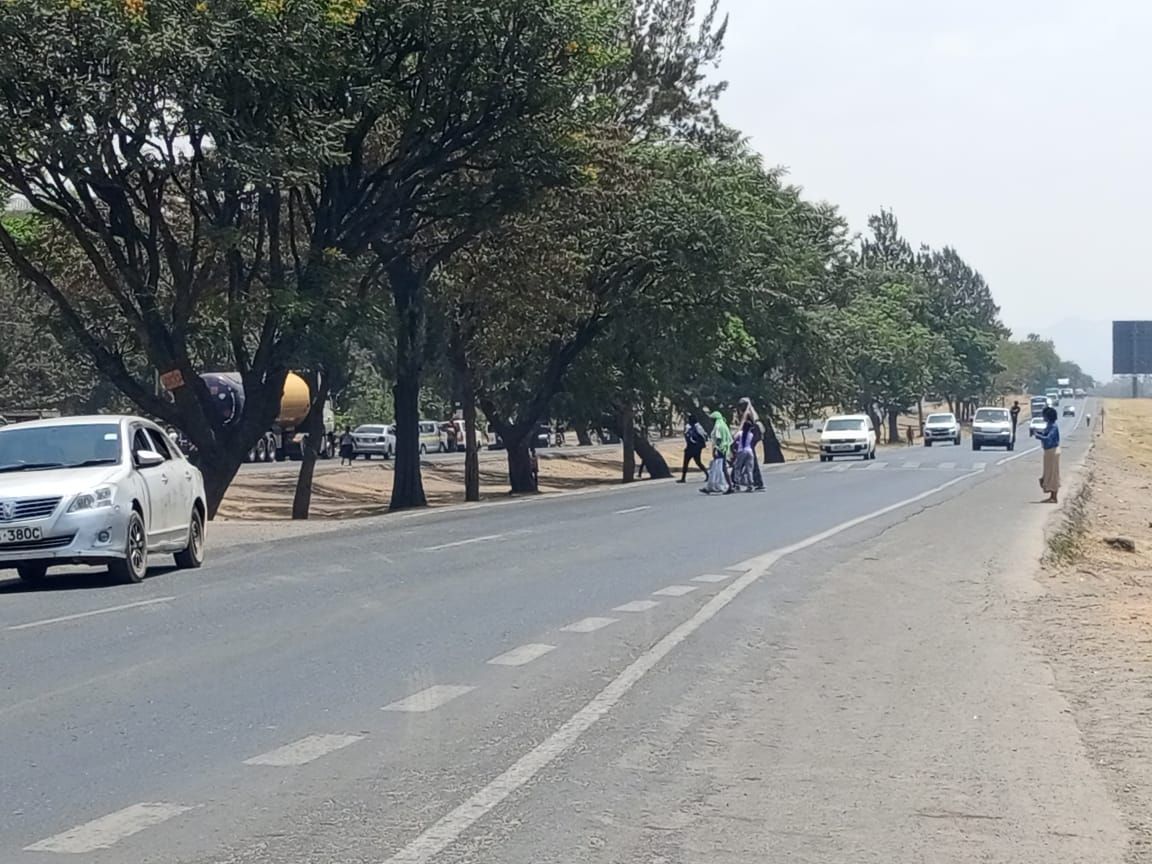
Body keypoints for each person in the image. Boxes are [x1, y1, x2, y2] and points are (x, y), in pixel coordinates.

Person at [1031, 405, 1060, 503]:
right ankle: (1051, 495)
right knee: (1048, 473)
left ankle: (1054, 497)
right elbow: (1045, 434)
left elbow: (1048, 438)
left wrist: (1037, 435)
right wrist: (1037, 432)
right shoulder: (1049, 425)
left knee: (1053, 474)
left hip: (1052, 451)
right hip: (1048, 451)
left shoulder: (1054, 427)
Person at [701, 410, 734, 495]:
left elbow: (718, 439)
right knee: (718, 468)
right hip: (724, 449)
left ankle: (728, 486)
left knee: (720, 469)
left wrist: (715, 449)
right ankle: (711, 486)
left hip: (720, 450)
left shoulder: (718, 426)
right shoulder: (724, 425)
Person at [736, 397, 765, 490]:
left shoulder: (748, 413)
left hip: (750, 436)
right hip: (752, 436)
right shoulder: (752, 412)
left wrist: (736, 434)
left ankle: (753, 482)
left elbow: (742, 424)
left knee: (747, 458)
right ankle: (754, 482)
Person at [678, 413, 708, 483]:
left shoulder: (688, 427)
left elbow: (686, 435)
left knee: (685, 463)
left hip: (689, 447)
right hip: (697, 448)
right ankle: (707, 474)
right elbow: (704, 436)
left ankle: (683, 478)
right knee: (698, 462)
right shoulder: (699, 427)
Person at [732, 419, 758, 492]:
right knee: (749, 469)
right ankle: (750, 485)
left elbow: (734, 438)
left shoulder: (740, 433)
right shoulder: (751, 435)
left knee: (737, 468)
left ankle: (737, 484)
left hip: (741, 451)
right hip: (749, 451)